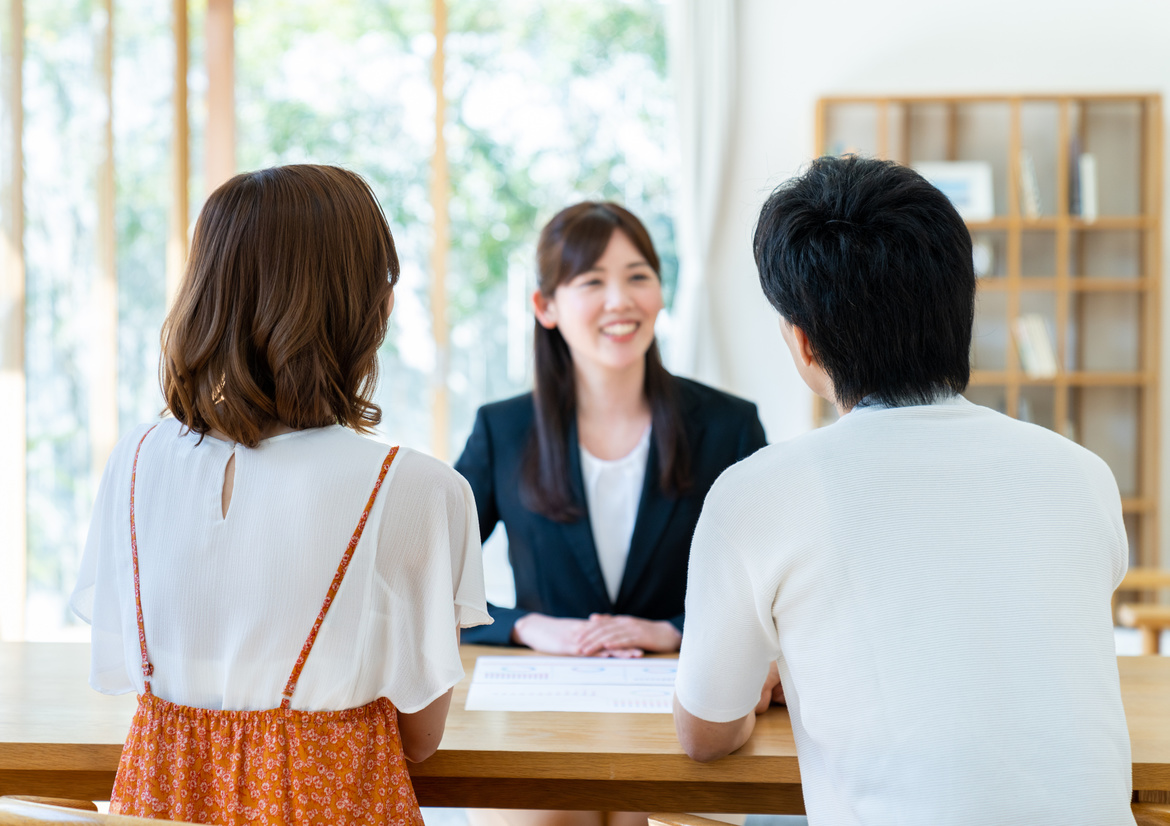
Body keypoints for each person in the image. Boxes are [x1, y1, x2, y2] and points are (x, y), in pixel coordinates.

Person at [673, 156, 1135, 826]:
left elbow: (705, 736)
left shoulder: (757, 494)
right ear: (961, 310)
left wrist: (760, 696)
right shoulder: (1082, 472)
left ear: (802, 342)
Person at [70, 165, 490, 826]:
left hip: (158, 806)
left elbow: (133, 665)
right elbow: (420, 740)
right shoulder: (419, 490)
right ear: (366, 307)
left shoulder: (135, 459)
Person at [456, 201, 767, 660]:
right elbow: (422, 584)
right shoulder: (502, 430)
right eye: (593, 281)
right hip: (543, 709)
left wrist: (677, 630)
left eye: (638, 277)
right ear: (546, 306)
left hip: (690, 699)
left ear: (661, 293)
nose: (620, 300)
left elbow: (772, 579)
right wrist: (525, 626)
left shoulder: (730, 425)